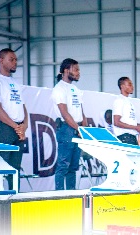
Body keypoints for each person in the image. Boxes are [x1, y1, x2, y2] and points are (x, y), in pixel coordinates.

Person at [0, 48, 28, 191]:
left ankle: (15, 195)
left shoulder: (15, 83)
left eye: (16, 60)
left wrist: (24, 126)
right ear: (1, 61)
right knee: (1, 165)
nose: (15, 62)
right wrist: (15, 126)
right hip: (4, 128)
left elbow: (23, 107)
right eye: (11, 59)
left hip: (18, 128)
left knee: (15, 167)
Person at [52, 58, 87, 190]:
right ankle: (59, 196)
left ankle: (72, 194)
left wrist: (84, 128)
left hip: (77, 129)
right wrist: (78, 128)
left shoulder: (76, 89)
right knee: (63, 166)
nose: (79, 73)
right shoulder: (59, 89)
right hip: (66, 129)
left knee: (73, 166)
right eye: (76, 69)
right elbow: (64, 113)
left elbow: (81, 111)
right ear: (66, 71)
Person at [112, 77, 140, 145]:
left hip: (131, 137)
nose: (132, 87)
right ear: (122, 86)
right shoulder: (119, 101)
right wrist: (136, 127)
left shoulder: (128, 101)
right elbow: (116, 122)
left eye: (132, 84)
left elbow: (127, 121)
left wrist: (139, 125)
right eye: (129, 84)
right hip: (124, 137)